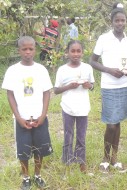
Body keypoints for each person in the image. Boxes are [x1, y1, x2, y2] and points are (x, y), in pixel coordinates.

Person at [2, 36, 53, 190]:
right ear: (19, 50)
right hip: (21, 118)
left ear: (35, 50)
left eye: (31, 49)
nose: (28, 52)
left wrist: (43, 115)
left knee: (40, 149)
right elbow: (10, 95)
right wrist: (18, 117)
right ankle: (26, 177)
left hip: (39, 118)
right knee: (23, 151)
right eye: (24, 49)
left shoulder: (41, 69)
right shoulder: (13, 70)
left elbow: (46, 93)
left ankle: (37, 175)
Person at [90, 2, 127, 172]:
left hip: (124, 85)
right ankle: (105, 158)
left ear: (126, 21)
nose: (120, 23)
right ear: (111, 22)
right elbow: (92, 61)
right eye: (117, 21)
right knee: (111, 124)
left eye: (123, 20)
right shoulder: (103, 39)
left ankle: (115, 158)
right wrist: (109, 70)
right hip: (109, 87)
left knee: (118, 121)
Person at [54, 40, 95, 173]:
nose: (76, 54)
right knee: (68, 135)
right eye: (73, 51)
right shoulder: (62, 70)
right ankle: (67, 162)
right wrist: (69, 86)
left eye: (79, 51)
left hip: (83, 108)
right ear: (67, 53)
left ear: (82, 53)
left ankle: (81, 162)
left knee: (81, 136)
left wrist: (88, 86)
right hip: (68, 107)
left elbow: (92, 85)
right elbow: (56, 90)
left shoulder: (87, 68)